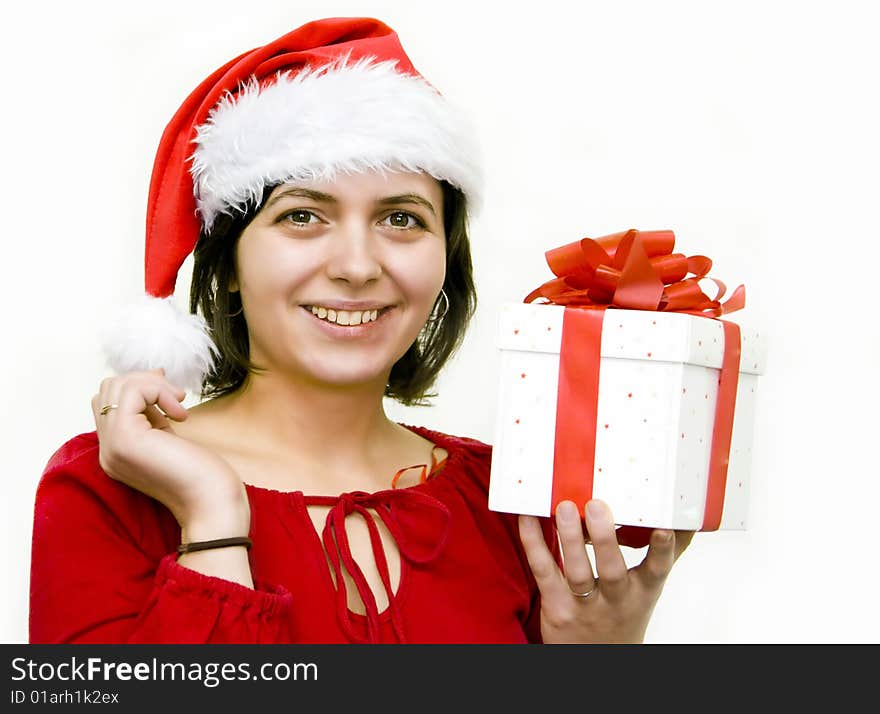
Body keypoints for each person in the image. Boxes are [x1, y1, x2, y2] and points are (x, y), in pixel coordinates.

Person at [29, 17, 692, 644]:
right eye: (302, 217)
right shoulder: (112, 488)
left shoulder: (512, 502)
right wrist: (212, 520)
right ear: (228, 262)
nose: (356, 266)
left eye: (401, 219)